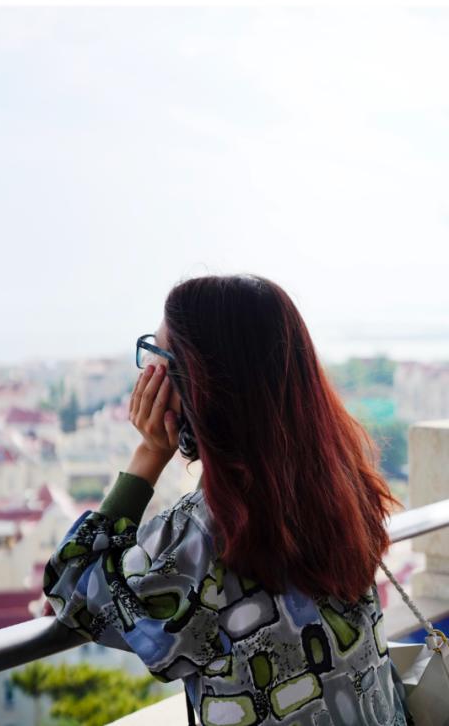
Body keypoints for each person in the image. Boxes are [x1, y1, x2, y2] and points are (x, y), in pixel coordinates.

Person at [42, 274, 410, 725]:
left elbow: (74, 586)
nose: (147, 375)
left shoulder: (206, 532)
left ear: (197, 383)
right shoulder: (345, 487)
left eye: (157, 358)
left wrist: (149, 454)